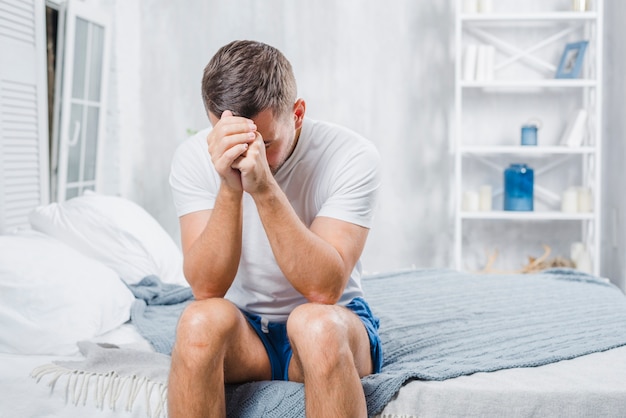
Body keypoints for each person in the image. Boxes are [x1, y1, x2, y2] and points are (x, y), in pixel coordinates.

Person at [168, 39, 382, 418]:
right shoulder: (193, 157)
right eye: (232, 141)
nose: (246, 157)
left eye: (265, 143)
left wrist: (264, 187)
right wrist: (229, 189)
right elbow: (206, 288)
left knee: (314, 326)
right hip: (246, 333)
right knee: (196, 323)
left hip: (333, 320)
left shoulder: (351, 155)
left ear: (297, 114)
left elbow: (324, 288)